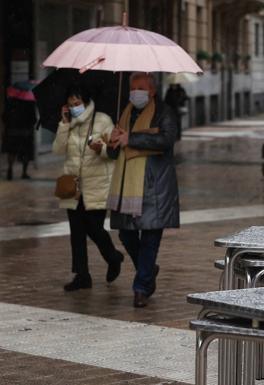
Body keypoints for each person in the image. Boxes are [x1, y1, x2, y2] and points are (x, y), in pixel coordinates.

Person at [107, 72, 180, 308]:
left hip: (154, 186)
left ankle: (141, 288)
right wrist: (112, 141)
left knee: (150, 237)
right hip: (126, 186)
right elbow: (114, 152)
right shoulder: (125, 112)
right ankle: (148, 270)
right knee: (126, 234)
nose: (135, 93)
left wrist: (132, 138)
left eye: (141, 88)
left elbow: (167, 140)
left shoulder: (164, 112)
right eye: (133, 88)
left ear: (152, 91)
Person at [53, 85, 125, 291]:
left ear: (85, 102)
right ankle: (81, 275)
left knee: (94, 228)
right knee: (76, 232)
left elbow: (114, 151)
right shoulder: (69, 123)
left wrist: (100, 148)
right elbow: (58, 149)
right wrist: (64, 124)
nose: (74, 107)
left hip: (96, 184)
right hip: (72, 185)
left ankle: (113, 257)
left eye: (77, 103)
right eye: (70, 104)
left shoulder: (102, 120)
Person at [2, 83, 37, 180]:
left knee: (11, 151)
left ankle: (10, 169)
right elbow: (33, 119)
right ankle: (24, 173)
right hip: (25, 132)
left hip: (11, 131)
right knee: (25, 153)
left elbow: (4, 117)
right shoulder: (29, 103)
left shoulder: (10, 102)